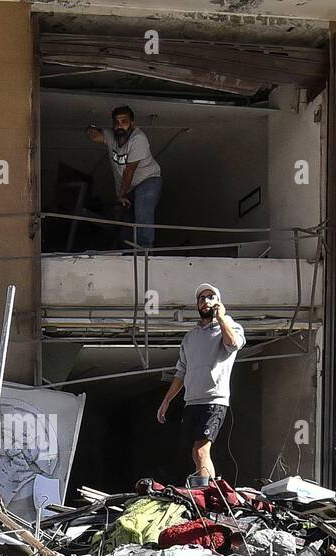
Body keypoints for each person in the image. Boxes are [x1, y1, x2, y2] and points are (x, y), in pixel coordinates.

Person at [156, 283, 245, 481]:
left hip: (214, 400)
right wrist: (166, 401)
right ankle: (210, 490)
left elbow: (233, 345)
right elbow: (181, 372)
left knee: (201, 450)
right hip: (192, 402)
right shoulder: (190, 337)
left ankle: (204, 494)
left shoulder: (230, 326)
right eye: (201, 298)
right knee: (196, 453)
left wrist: (221, 318)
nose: (205, 301)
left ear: (218, 302)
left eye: (210, 297)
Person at [86, 105, 162, 249]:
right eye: (117, 122)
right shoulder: (111, 136)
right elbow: (95, 135)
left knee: (142, 209)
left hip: (149, 181)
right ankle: (127, 253)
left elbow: (129, 170)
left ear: (132, 123)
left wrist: (121, 195)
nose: (120, 125)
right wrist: (90, 128)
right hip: (129, 190)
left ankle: (145, 249)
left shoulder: (138, 139)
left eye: (124, 121)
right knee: (126, 227)